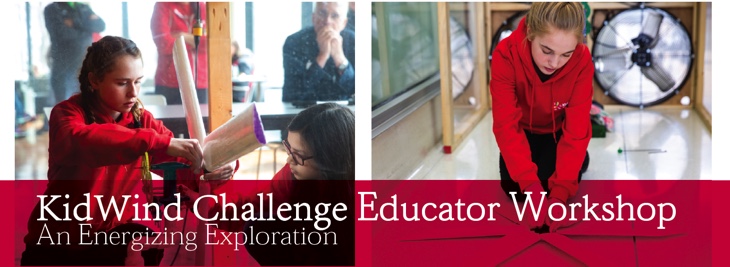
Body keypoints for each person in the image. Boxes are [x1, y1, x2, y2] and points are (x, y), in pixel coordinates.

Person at [20, 36, 234, 266]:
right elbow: (85, 141)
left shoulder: (142, 121)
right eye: (122, 83)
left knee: (149, 246)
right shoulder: (67, 113)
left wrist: (215, 167)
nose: (133, 92)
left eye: (138, 81)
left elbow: (186, 170)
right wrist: (156, 142)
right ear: (94, 80)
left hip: (111, 234)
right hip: (57, 243)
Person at [180, 103, 355, 265]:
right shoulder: (293, 175)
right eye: (288, 148)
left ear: (329, 158)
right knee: (258, 228)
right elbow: (248, 208)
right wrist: (199, 199)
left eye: (298, 155)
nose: (288, 159)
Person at [490, 2, 592, 233]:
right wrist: (532, 190)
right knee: (515, 190)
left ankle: (578, 162)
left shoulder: (583, 60)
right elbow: (506, 126)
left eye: (566, 54)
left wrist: (559, 196)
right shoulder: (505, 54)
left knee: (561, 185)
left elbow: (576, 131)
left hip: (557, 133)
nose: (554, 63)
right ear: (530, 34)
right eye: (547, 51)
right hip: (523, 132)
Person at [282, 2, 355, 105]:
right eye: (322, 13)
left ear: (344, 23)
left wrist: (340, 58)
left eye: (335, 16)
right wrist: (323, 56)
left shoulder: (354, 41)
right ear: (313, 18)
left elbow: (354, 91)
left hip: (344, 113)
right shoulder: (295, 41)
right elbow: (295, 94)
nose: (327, 21)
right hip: (304, 112)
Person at [44, 2, 106, 105]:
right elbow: (61, 34)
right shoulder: (52, 9)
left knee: (87, 107)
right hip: (63, 68)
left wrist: (74, 23)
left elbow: (100, 25)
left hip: (84, 66)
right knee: (64, 108)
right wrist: (86, 28)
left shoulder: (83, 7)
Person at [151, 2, 208, 105]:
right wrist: (196, 41)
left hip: (201, 83)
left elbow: (211, 44)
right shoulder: (162, 5)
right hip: (170, 83)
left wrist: (181, 36)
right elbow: (164, 44)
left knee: (202, 121)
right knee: (168, 120)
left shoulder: (203, 7)